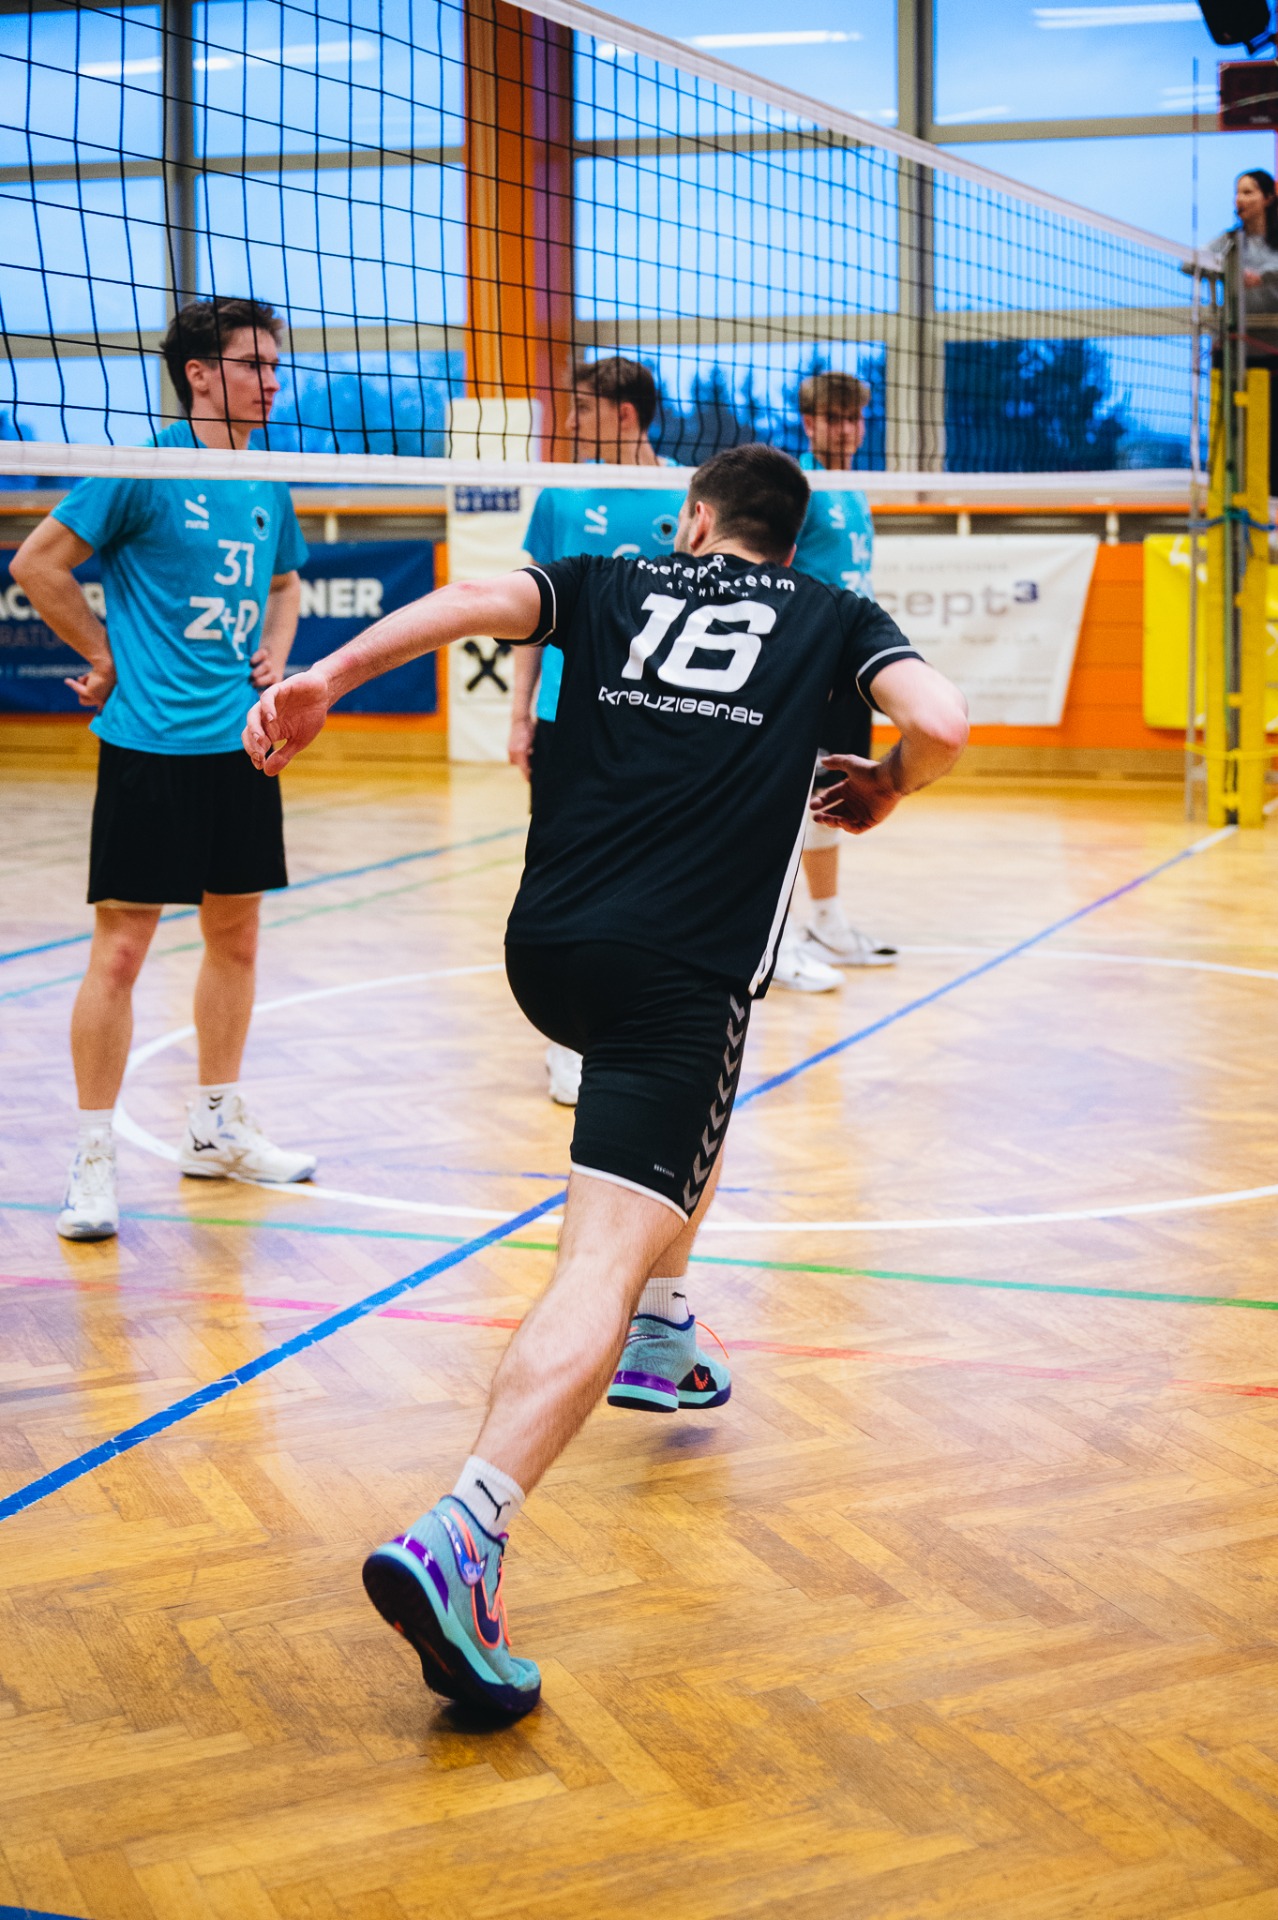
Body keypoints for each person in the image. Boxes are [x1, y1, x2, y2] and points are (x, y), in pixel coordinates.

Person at [243, 443, 969, 1723]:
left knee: (696, 1107)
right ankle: (466, 1530)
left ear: (695, 520)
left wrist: (325, 678)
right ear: (791, 540)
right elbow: (944, 722)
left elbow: (469, 601)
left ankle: (666, 1327)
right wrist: (892, 785)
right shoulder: (834, 613)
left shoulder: (606, 577)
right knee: (602, 1244)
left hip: (549, 950)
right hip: (674, 976)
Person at [12, 295, 317, 1244]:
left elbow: (286, 582)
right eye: (254, 364)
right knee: (120, 953)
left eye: (275, 365)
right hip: (149, 746)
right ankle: (93, 1154)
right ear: (199, 373)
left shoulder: (264, 477)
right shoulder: (142, 467)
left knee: (237, 941)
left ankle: (214, 1127)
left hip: (242, 746)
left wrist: (277, 654)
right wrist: (104, 655)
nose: (272, 382)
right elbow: (38, 564)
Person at [508, 355, 684, 1106]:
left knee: (658, 874)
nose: (570, 422)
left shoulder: (691, 494)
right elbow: (529, 613)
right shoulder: (561, 493)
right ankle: (566, 1038)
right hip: (567, 714)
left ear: (624, 414)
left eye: (582, 408)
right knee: (565, 872)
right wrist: (519, 714)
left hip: (661, 718)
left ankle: (642, 1023)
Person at [773, 369, 898, 992]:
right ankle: (776, 940)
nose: (846, 429)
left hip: (848, 666)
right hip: (809, 665)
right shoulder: (797, 487)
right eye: (833, 418)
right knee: (785, 801)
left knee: (830, 796)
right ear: (810, 423)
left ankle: (826, 923)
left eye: (854, 418)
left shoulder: (853, 488)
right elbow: (779, 573)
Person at [1210, 170, 1278, 493]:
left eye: (1249, 192)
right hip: (1236, 351)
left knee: (1271, 429)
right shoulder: (1229, 242)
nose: (1240, 199)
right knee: (1236, 428)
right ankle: (1233, 494)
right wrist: (1224, 269)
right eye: (1238, 192)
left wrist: (1263, 276)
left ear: (1268, 198)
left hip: (1272, 351)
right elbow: (1190, 263)